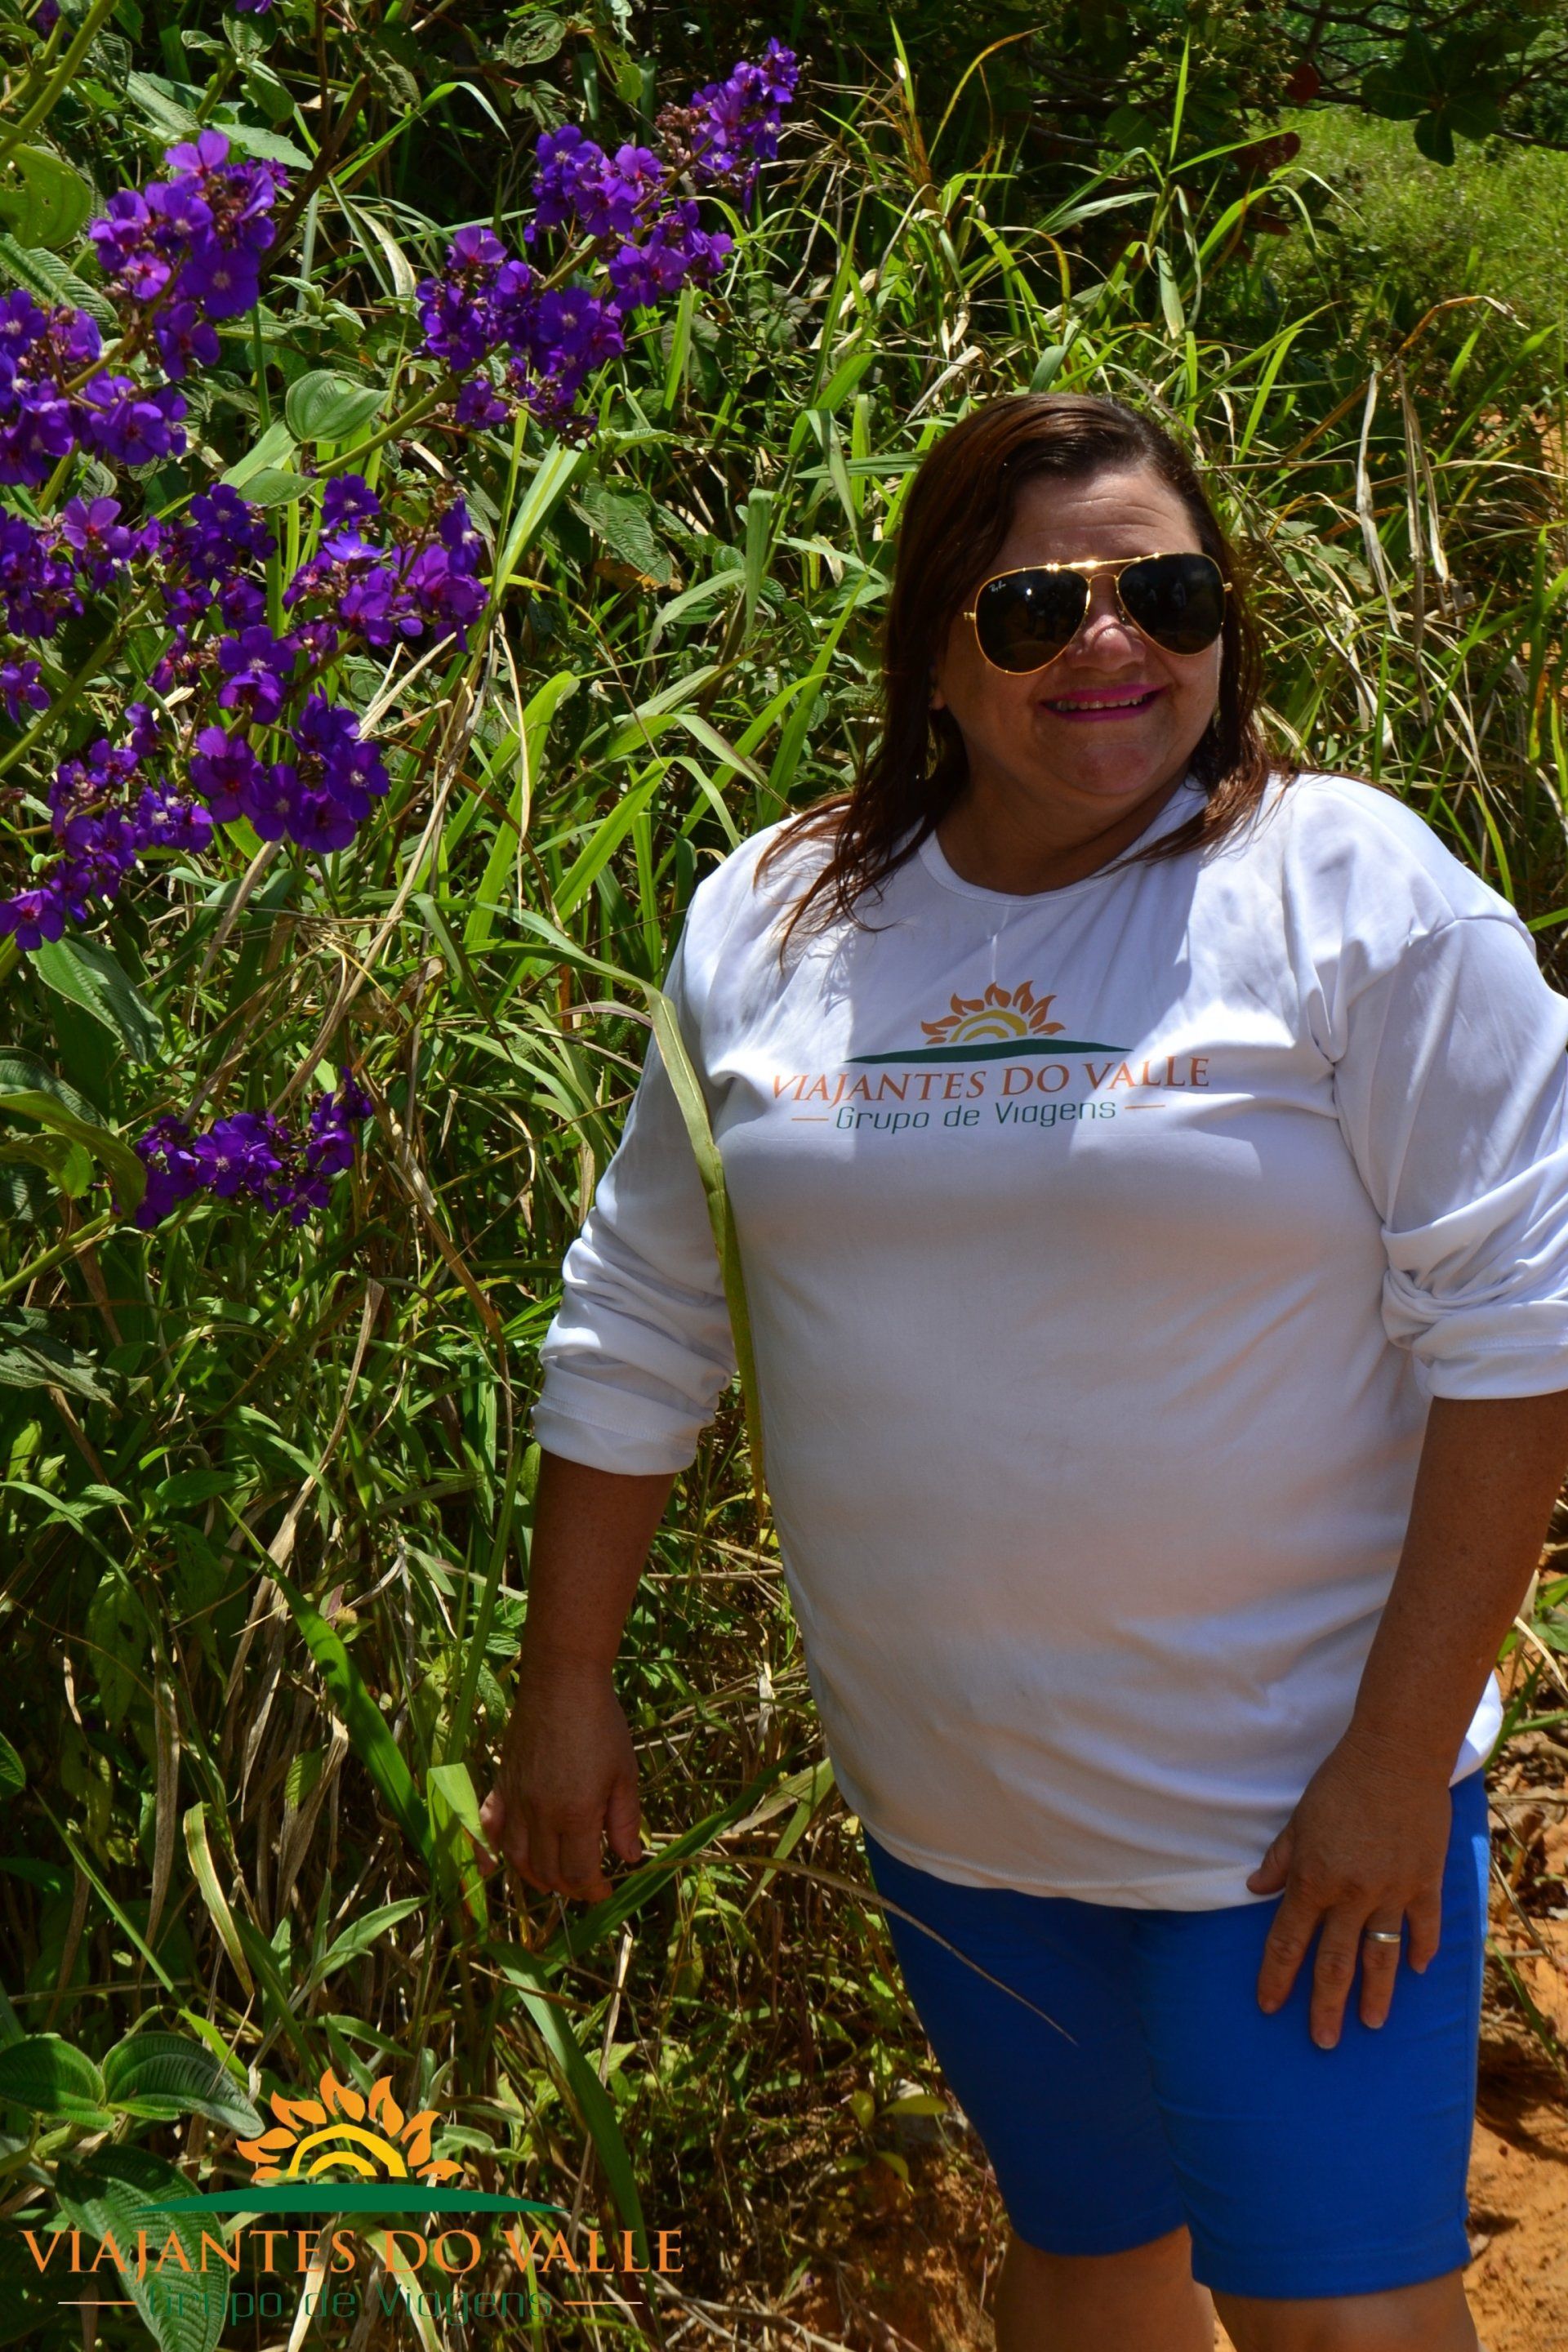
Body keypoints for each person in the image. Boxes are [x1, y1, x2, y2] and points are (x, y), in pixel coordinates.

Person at [476, 392, 1568, 2352]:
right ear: (933, 651)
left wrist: (1396, 1769)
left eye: (1168, 593)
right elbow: (639, 1313)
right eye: (1038, 607)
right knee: (1085, 2267)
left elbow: (1523, 1335)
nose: (1111, 643)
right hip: (957, 1827)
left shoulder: (1350, 891)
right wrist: (566, 1681)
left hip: (1283, 1828)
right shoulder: (777, 917)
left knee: (1344, 2324)